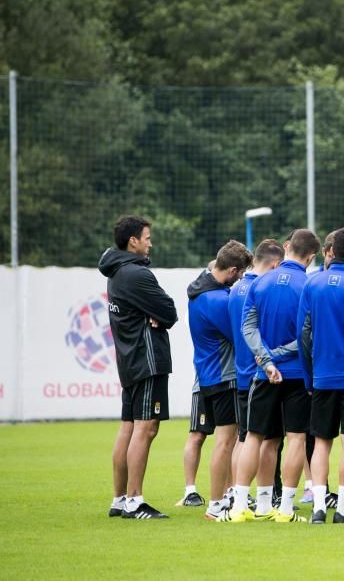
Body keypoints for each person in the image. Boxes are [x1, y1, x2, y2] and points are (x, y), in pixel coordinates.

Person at [221, 228, 320, 523]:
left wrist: (265, 360)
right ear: (312, 257)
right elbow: (308, 335)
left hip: (264, 374)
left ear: (287, 247)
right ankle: (285, 509)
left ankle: (245, 506)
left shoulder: (259, 281)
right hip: (297, 374)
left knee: (257, 437)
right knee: (295, 439)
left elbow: (247, 328)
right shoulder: (309, 285)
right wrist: (276, 356)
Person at [100, 215, 178, 519]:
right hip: (147, 360)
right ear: (133, 240)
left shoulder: (116, 273)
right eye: (147, 237)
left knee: (129, 428)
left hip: (129, 361)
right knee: (146, 429)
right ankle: (134, 500)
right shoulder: (136, 275)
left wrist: (155, 313)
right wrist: (158, 314)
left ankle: (119, 499)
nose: (150, 243)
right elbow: (169, 311)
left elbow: (160, 312)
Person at [297, 227, 344, 524]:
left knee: (322, 442)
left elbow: (303, 335)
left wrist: (308, 376)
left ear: (331, 250)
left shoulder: (312, 285)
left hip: (323, 376)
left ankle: (317, 508)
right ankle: (342, 509)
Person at [188, 241, 253, 519]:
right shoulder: (216, 301)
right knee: (226, 442)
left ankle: (225, 497)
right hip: (223, 376)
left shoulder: (202, 289)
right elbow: (239, 336)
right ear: (234, 270)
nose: (240, 281)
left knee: (226, 441)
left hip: (210, 374)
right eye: (241, 275)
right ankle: (216, 504)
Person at [227, 239, 283, 512]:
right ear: (274, 264)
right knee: (260, 440)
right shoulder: (263, 289)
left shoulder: (236, 287)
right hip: (260, 373)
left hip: (242, 371)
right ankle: (248, 496)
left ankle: (236, 494)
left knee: (244, 438)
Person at [177, 378, 212, 508]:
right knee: (197, 436)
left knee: (231, 437)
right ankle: (190, 491)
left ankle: (232, 490)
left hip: (231, 387)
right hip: (205, 384)